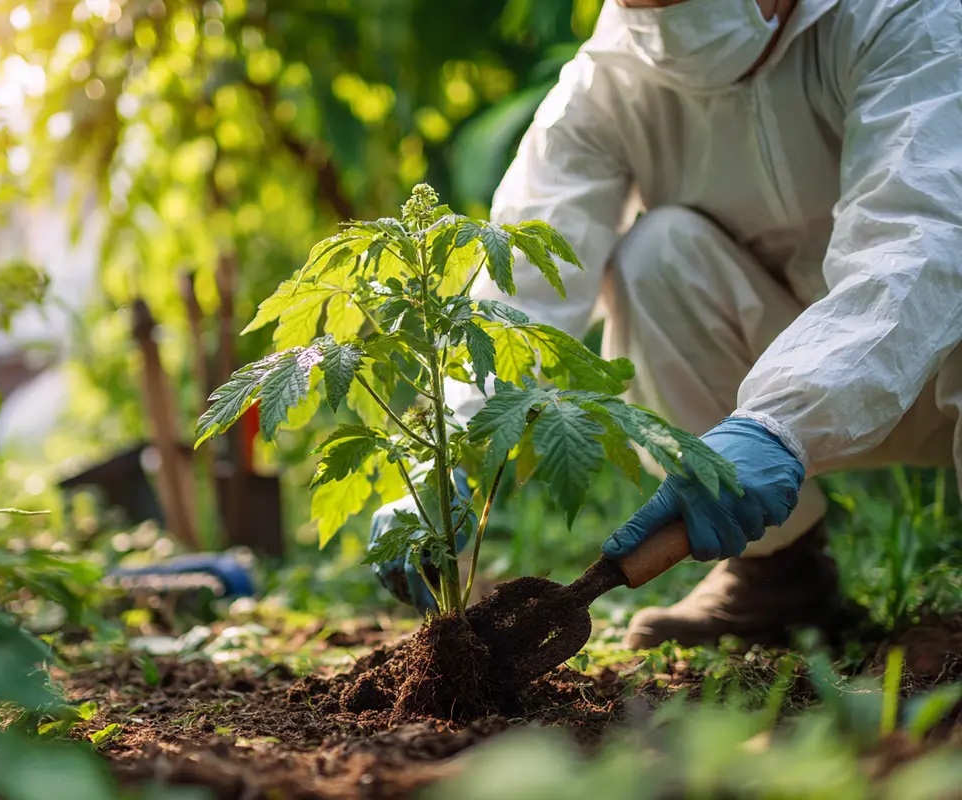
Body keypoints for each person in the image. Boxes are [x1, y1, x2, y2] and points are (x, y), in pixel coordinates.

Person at [369, 0, 962, 649]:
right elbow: (525, 288)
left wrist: (785, 420)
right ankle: (778, 579)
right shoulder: (610, 79)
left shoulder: (906, 16)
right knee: (655, 255)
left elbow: (922, 240)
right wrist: (450, 451)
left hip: (938, 360)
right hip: (777, 383)